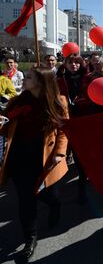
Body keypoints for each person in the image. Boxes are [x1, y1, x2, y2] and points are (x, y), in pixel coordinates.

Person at [0, 67, 69, 262]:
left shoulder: (58, 101)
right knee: (26, 200)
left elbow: (64, 131)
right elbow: (4, 126)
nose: (24, 79)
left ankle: (55, 205)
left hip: (45, 158)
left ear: (41, 81)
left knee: (48, 194)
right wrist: (4, 122)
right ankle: (30, 239)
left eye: (29, 77)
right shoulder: (17, 101)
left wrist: (59, 153)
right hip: (19, 158)